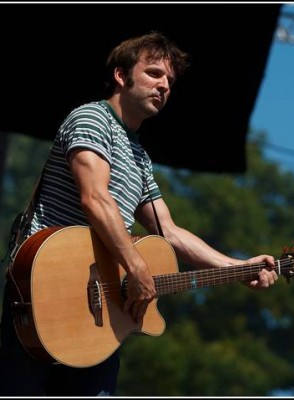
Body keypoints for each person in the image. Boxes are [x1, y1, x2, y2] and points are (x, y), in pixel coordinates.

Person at [0, 31, 278, 396]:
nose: (163, 86)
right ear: (121, 75)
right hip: (43, 290)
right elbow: (95, 200)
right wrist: (136, 266)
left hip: (96, 323)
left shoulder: (140, 158)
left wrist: (238, 267)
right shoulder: (93, 119)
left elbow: (170, 232)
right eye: (153, 74)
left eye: (170, 81)